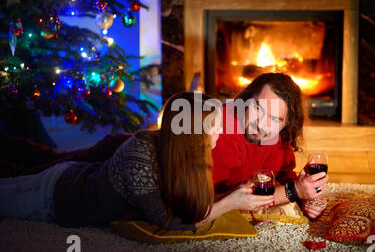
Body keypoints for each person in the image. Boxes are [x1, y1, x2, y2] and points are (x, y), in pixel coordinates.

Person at [0, 92, 274, 229]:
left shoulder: (188, 152)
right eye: (213, 125)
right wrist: (230, 203)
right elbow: (165, 222)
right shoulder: (141, 156)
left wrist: (234, 194)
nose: (220, 131)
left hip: (73, 175)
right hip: (54, 197)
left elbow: (191, 203)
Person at [212, 73, 328, 219]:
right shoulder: (218, 130)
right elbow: (200, 204)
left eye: (275, 119)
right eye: (258, 109)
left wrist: (305, 199)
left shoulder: (277, 137)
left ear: (286, 123)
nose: (261, 124)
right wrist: (294, 191)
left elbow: (285, 176)